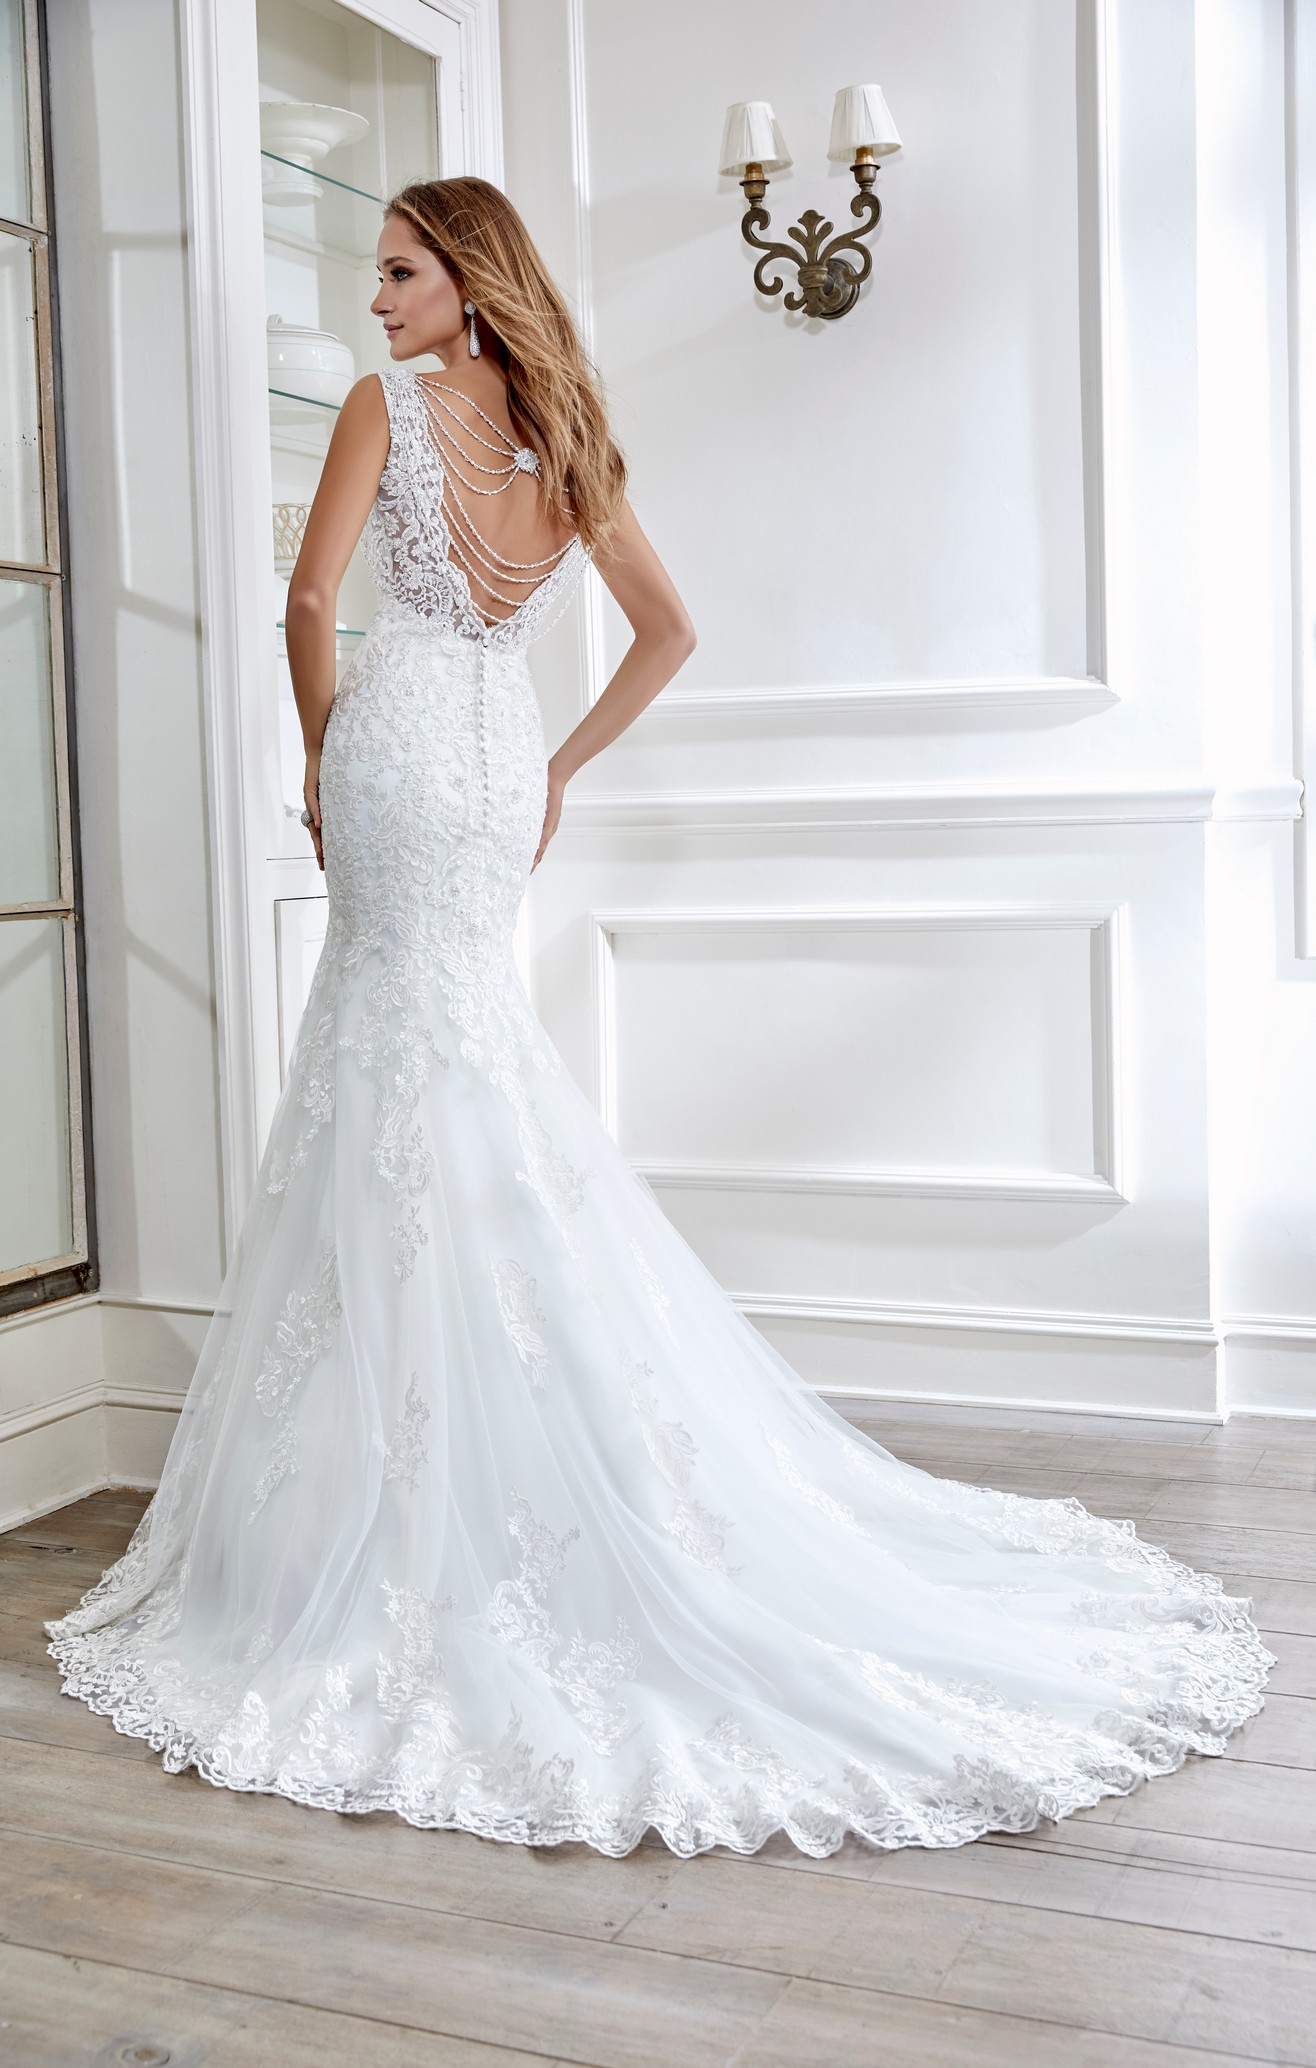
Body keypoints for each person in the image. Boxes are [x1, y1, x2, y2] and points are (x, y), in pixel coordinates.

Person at [47, 179, 1271, 1858]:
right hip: (492, 772)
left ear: (468, 282)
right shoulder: (564, 440)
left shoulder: (382, 409)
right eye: (375, 275)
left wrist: (324, 759)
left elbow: (312, 607)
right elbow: (671, 630)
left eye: (399, 270)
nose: (375, 299)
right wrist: (552, 762)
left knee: (395, 1075)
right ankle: (488, 1441)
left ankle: (410, 1487)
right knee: (447, 1069)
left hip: (407, 746)